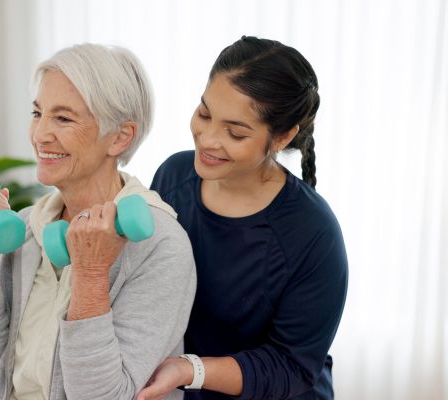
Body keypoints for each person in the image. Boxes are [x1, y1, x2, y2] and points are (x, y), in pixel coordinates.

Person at [0, 43, 197, 400]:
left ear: (120, 137)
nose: (40, 135)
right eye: (38, 113)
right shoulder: (26, 227)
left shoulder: (161, 246)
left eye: (64, 118)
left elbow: (102, 395)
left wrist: (90, 273)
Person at [137, 36, 348, 400]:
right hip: (182, 388)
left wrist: (190, 368)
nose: (207, 139)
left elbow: (292, 366)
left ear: (282, 136)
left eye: (234, 132)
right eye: (204, 114)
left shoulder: (313, 233)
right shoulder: (173, 177)